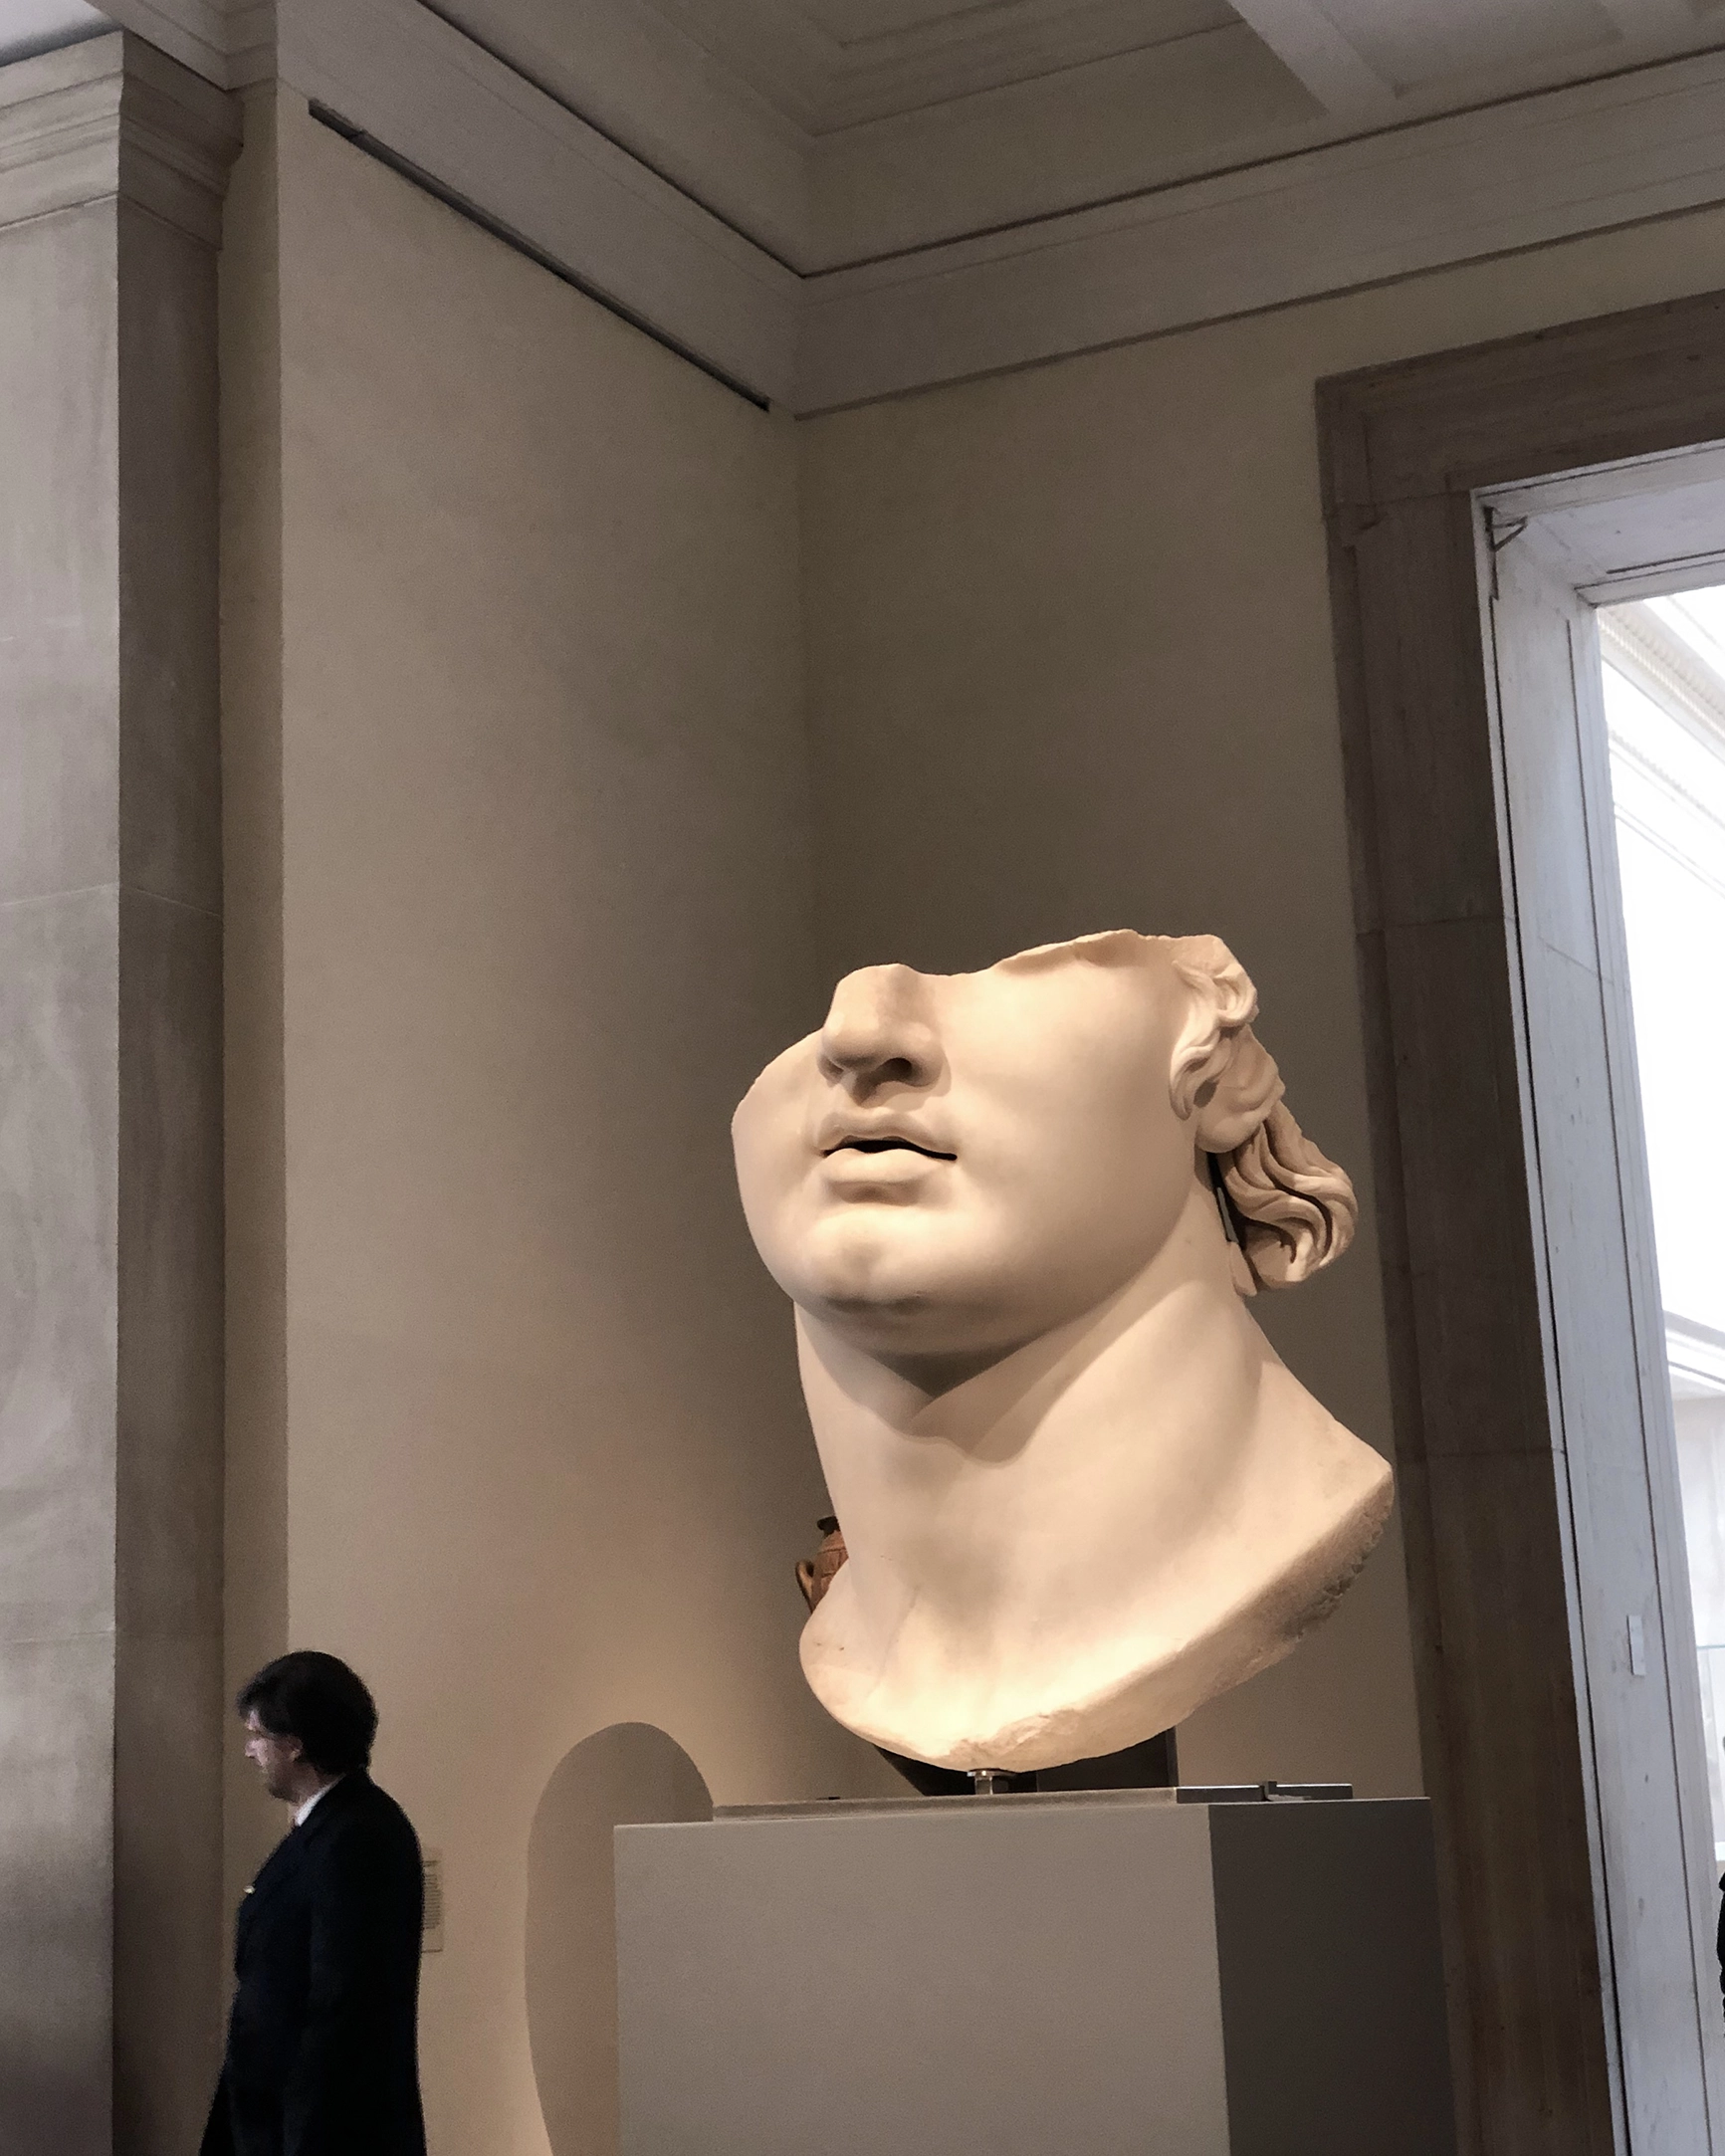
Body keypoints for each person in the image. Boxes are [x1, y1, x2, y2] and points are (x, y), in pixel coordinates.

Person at [200, 1651, 428, 2156]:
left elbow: (340, 2010)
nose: (249, 1751)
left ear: (295, 1746)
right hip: (280, 2122)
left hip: (323, 2133)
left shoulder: (358, 1836)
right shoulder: (330, 1829)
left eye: (256, 1735)